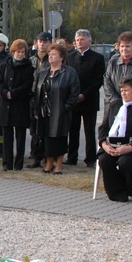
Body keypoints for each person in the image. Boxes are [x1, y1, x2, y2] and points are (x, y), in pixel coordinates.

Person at [32, 43, 80, 174]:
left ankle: (59, 165)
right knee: (46, 138)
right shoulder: (43, 72)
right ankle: (48, 163)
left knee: (59, 138)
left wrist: (66, 107)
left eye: (54, 54)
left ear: (61, 57)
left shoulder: (69, 73)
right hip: (45, 111)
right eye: (49, 54)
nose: (50, 57)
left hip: (61, 111)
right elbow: (36, 92)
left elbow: (74, 93)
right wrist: (36, 109)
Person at [65, 29, 105, 168]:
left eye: (82, 39)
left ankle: (90, 159)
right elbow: (67, 77)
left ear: (89, 41)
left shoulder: (97, 58)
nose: (79, 42)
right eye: (77, 40)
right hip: (73, 99)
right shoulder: (69, 56)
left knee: (89, 130)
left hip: (89, 99)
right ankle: (72, 157)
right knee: (73, 129)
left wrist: (85, 95)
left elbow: (98, 80)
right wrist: (73, 95)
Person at [0, 39, 34, 171]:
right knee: (7, 136)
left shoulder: (29, 68)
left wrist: (13, 93)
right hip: (6, 104)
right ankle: (7, 163)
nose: (20, 54)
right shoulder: (4, 66)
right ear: (12, 52)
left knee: (20, 137)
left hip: (20, 105)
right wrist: (5, 93)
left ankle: (18, 164)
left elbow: (27, 85)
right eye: (18, 52)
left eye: (22, 52)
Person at [103, 31, 132, 112]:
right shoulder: (113, 61)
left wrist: (126, 100)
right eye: (122, 46)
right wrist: (115, 100)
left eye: (127, 46)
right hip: (112, 104)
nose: (124, 49)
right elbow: (107, 80)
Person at [27, 32, 52, 168]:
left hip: (47, 97)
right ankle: (35, 156)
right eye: (40, 41)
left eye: (45, 41)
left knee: (46, 129)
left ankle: (47, 156)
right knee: (34, 129)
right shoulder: (31, 59)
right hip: (33, 97)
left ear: (50, 43)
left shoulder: (53, 59)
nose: (42, 44)